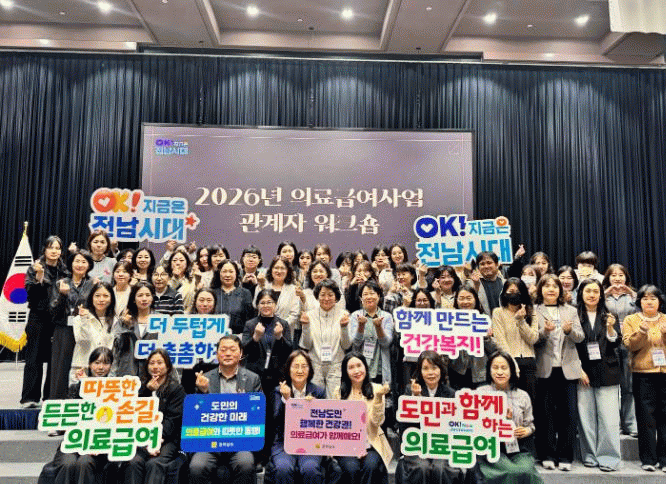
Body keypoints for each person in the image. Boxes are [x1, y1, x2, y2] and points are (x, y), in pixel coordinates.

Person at [189, 335, 262, 484]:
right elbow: (195, 415)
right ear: (217, 354)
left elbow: (259, 413)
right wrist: (203, 392)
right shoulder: (205, 378)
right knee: (197, 466)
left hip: (240, 442)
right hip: (210, 442)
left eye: (232, 349)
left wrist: (245, 404)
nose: (228, 353)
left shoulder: (252, 379)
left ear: (240, 354)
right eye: (223, 350)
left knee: (246, 464)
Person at [533, 274, 584, 471]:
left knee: (568, 415)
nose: (551, 289)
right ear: (540, 289)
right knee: (545, 414)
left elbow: (580, 338)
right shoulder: (534, 311)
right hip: (544, 369)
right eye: (546, 286)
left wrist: (570, 331)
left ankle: (565, 457)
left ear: (560, 290)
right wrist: (544, 332)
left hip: (567, 369)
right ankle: (547, 454)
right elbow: (532, 339)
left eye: (555, 286)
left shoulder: (571, 310)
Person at [43, 347, 115, 484]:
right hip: (75, 440)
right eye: (97, 363)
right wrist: (85, 385)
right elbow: (67, 418)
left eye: (106, 363)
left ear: (111, 365)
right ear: (90, 365)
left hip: (100, 443)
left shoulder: (115, 389)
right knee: (67, 463)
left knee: (84, 462)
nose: (101, 367)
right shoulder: (77, 388)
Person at [574, 279, 621, 471]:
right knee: (586, 418)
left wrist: (610, 328)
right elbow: (570, 346)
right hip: (582, 372)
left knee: (609, 419)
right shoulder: (574, 314)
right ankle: (590, 455)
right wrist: (578, 369)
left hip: (607, 371)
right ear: (581, 293)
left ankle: (609, 458)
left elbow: (616, 342)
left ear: (601, 294)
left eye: (595, 291)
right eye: (588, 291)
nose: (592, 295)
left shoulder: (610, 315)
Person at [397, 350, 464, 484]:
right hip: (417, 445)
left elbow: (456, 427)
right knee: (422, 467)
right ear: (420, 371)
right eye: (426, 368)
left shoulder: (452, 394)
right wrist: (415, 399)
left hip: (441, 445)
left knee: (441, 468)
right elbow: (404, 427)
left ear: (441, 370)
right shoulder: (410, 391)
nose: (431, 373)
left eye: (434, 368)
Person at [476, 351, 543, 484]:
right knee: (511, 471)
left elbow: (530, 425)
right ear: (489, 370)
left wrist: (527, 431)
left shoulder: (522, 395)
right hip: (492, 448)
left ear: (511, 370)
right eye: (495, 368)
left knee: (527, 471)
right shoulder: (480, 393)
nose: (500, 372)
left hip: (517, 448)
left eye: (504, 368)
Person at [122, 349, 186, 484]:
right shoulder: (139, 387)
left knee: (154, 463)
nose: (155, 366)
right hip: (141, 436)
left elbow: (173, 421)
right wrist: (147, 391)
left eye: (160, 363)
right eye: (152, 363)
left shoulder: (176, 389)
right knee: (133, 461)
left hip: (167, 439)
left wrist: (155, 439)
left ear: (167, 366)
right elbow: (131, 413)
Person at [621, 284, 666, 472]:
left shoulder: (665, 319)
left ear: (660, 301)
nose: (649, 302)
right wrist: (641, 332)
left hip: (664, 373)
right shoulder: (631, 320)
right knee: (645, 417)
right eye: (645, 298)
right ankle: (648, 459)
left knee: (664, 417)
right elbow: (629, 345)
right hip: (643, 374)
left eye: (653, 298)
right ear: (639, 301)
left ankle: (664, 459)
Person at [21, 235, 69, 407]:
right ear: (44, 249)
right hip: (38, 317)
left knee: (54, 359)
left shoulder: (65, 271)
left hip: (58, 319)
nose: (54, 251)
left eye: (57, 248)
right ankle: (30, 398)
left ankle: (50, 397)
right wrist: (39, 277)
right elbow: (31, 295)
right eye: (51, 247)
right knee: (34, 358)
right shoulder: (35, 268)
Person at [268, 350, 326, 484]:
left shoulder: (319, 391)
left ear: (310, 370)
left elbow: (323, 425)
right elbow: (276, 421)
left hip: (311, 442)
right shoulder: (278, 391)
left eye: (304, 366)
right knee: (283, 468)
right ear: (289, 369)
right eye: (295, 366)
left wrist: (314, 408)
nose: (300, 370)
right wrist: (287, 400)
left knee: (310, 469)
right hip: (284, 442)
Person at [334, 353, 393, 484]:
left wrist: (378, 398)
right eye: (351, 367)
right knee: (351, 468)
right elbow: (338, 425)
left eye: (359, 365)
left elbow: (377, 422)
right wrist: (354, 448)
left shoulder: (377, 389)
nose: (356, 371)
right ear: (345, 371)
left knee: (370, 466)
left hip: (372, 444)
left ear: (365, 367)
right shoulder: (339, 392)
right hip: (347, 445)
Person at [48, 250, 95, 401]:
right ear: (71, 264)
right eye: (77, 261)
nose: (80, 265)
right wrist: (62, 295)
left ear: (89, 265)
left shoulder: (93, 284)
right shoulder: (60, 283)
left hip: (85, 330)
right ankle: (58, 402)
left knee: (84, 366)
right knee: (60, 368)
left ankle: (83, 401)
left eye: (84, 262)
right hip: (64, 330)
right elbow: (53, 312)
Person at [603, 263, 638, 437]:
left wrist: (631, 293)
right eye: (613, 275)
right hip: (608, 345)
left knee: (628, 386)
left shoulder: (633, 295)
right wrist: (605, 293)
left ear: (626, 277)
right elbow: (590, 306)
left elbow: (646, 307)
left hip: (629, 345)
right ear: (608, 278)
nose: (617, 278)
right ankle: (613, 425)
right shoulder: (602, 295)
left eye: (621, 275)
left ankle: (630, 424)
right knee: (611, 387)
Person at [300, 279, 351, 398]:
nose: (326, 298)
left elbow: (346, 345)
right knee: (315, 400)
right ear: (317, 296)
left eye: (330, 295)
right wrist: (305, 326)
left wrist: (344, 327)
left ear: (336, 297)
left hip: (336, 365)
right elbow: (306, 345)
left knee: (335, 399)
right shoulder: (309, 315)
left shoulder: (343, 315)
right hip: (315, 365)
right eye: (322, 295)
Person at [491, 278, 538, 402]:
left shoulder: (531, 311)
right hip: (508, 363)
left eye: (517, 292)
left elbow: (533, 339)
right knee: (509, 401)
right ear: (504, 293)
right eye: (511, 291)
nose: (514, 294)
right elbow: (500, 341)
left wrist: (521, 320)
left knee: (529, 401)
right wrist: (512, 364)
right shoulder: (498, 312)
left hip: (529, 362)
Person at [448, 284, 497, 390]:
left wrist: (486, 338)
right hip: (457, 371)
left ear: (475, 299)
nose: (465, 302)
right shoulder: (450, 320)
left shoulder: (484, 319)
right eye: (461, 298)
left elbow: (494, 350)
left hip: (481, 372)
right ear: (456, 301)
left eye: (469, 298)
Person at [70, 282, 117, 384]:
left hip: (105, 370)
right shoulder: (79, 319)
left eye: (106, 296)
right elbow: (82, 340)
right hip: (83, 368)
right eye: (97, 296)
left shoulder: (116, 321)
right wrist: (84, 320)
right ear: (91, 298)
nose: (101, 299)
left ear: (111, 299)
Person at [112, 282, 157, 378]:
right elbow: (116, 346)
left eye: (147, 295)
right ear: (133, 299)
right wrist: (124, 325)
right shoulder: (125, 319)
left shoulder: (160, 319)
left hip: (152, 373)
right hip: (127, 372)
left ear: (152, 298)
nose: (144, 299)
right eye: (140, 295)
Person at [255, 257, 300, 333]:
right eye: (276, 268)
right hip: (263, 331)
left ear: (287, 271)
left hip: (285, 333)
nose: (279, 271)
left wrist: (279, 326)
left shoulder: (293, 290)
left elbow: (294, 314)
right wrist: (261, 286)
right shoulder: (263, 285)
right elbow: (255, 305)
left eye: (282, 268)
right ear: (271, 269)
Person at [211, 260, 255, 334]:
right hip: (215, 335)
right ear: (219, 273)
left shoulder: (245, 293)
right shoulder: (212, 293)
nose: (227, 275)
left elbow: (250, 320)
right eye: (224, 271)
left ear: (236, 273)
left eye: (231, 272)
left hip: (238, 336)